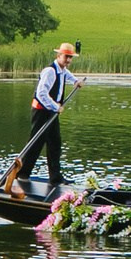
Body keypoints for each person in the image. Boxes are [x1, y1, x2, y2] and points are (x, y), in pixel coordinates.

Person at [8, 42, 79, 198]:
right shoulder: (49, 71)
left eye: (70, 57)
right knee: (36, 142)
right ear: (59, 56)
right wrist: (55, 106)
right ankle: (22, 174)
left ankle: (55, 178)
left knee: (55, 143)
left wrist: (75, 81)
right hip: (41, 111)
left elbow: (67, 75)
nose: (68, 60)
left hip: (51, 112)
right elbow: (41, 94)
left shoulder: (62, 70)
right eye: (66, 57)